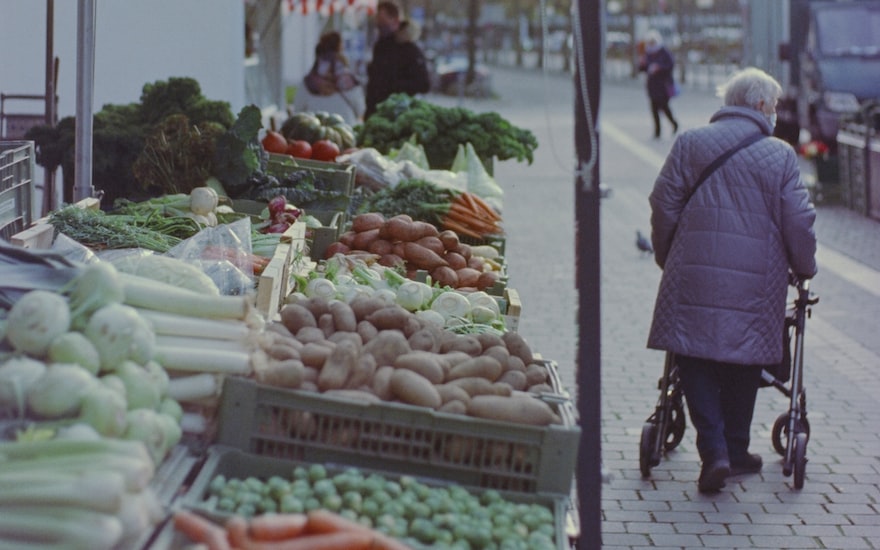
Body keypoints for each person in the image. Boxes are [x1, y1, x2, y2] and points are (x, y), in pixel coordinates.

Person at [646, 67, 818, 493]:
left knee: (694, 354)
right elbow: (798, 221)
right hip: (756, 284)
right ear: (760, 106)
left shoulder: (689, 142)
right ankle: (736, 450)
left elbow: (663, 202)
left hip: (692, 272)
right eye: (775, 106)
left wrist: (670, 255)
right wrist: (806, 268)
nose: (776, 113)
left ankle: (716, 452)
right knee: (745, 357)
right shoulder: (779, 155)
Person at [364, 1, 431, 119]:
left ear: (395, 20)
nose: (378, 24)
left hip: (397, 114)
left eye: (382, 20)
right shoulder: (380, 46)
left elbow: (423, 84)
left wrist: (392, 87)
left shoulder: (410, 49)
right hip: (375, 112)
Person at [294, 31, 365, 124]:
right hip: (346, 132)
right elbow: (361, 110)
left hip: (314, 133)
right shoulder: (350, 81)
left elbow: (298, 110)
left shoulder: (309, 82)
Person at [638, 30, 679, 139]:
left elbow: (670, 65)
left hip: (663, 85)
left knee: (664, 107)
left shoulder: (664, 52)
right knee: (654, 109)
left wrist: (659, 67)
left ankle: (674, 123)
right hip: (652, 85)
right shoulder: (647, 53)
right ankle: (657, 131)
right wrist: (642, 65)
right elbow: (643, 69)